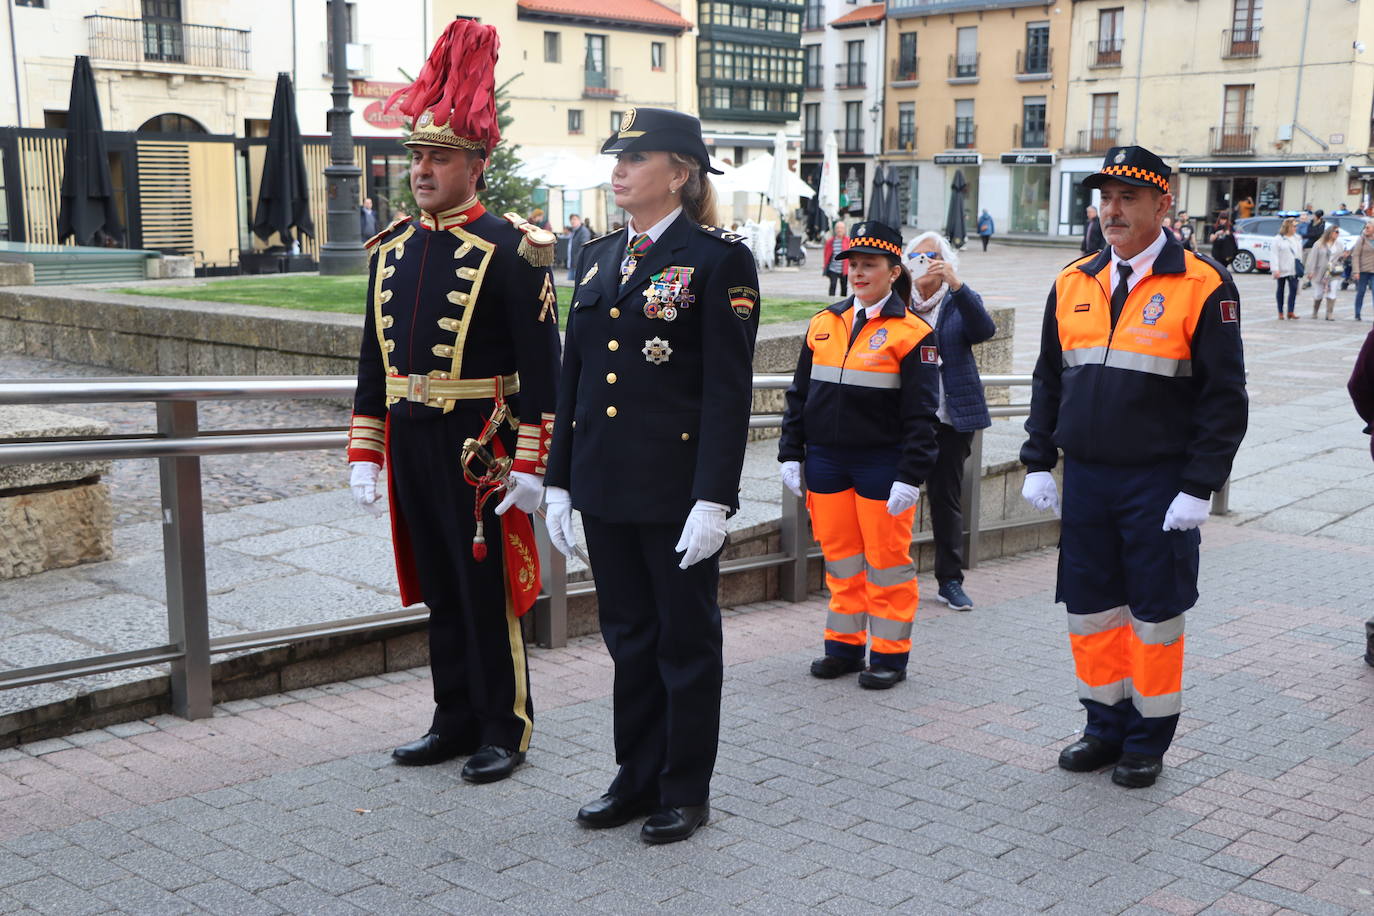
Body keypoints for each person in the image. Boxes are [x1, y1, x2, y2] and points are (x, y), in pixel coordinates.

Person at [346, 19, 560, 785]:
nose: (423, 170)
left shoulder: (511, 249)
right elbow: (374, 359)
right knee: (440, 585)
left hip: (482, 443)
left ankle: (506, 726)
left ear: (475, 165)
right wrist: (365, 451)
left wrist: (534, 465)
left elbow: (544, 370)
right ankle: (452, 717)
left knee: (486, 592)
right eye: (417, 157)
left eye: (440, 157)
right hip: (411, 438)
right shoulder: (392, 249)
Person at [544, 107, 760, 844]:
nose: (620, 169)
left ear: (679, 172)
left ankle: (683, 788)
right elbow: (574, 379)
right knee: (629, 639)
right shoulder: (599, 256)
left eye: (637, 157)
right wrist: (559, 480)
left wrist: (714, 499)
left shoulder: (717, 259)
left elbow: (728, 393)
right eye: (617, 157)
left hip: (674, 492)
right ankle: (634, 776)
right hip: (606, 487)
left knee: (684, 644)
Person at [1020, 146, 1247, 789]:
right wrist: (1039, 458)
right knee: (1092, 610)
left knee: (1153, 615)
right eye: (1105, 197)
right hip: (1088, 479)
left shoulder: (1203, 284)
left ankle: (1148, 739)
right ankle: (1102, 726)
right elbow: (1048, 379)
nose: (1112, 210)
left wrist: (1200, 484)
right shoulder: (1072, 281)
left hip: (1158, 484)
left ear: (1161, 203)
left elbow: (1223, 398)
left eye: (1127, 197)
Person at [778, 220, 940, 690]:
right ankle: (844, 649)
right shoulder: (825, 322)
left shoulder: (912, 333)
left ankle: (889, 655)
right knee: (842, 559)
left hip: (881, 464)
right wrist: (791, 453)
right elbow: (799, 395)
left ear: (894, 271)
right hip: (827, 461)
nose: (858, 272)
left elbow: (922, 415)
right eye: (853, 264)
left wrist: (911, 475)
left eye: (870, 264)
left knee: (887, 563)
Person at [902, 231, 997, 612]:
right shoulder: (898, 302)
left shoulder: (958, 301)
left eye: (932, 257)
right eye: (917, 256)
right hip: (907, 419)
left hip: (951, 417)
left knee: (946, 500)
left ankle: (950, 581)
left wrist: (957, 284)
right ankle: (889, 576)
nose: (924, 262)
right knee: (894, 499)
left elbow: (985, 330)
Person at [1305, 224, 1346, 320]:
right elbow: (1313, 258)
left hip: (1334, 272)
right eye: (1336, 232)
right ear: (1330, 232)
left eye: (1338, 232)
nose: (1337, 234)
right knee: (1318, 293)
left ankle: (1329, 313)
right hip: (1321, 271)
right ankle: (1315, 311)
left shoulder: (1339, 244)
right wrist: (1311, 271)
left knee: (1333, 291)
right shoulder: (1319, 244)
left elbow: (1340, 258)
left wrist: (1343, 257)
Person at [1270, 217, 1303, 320]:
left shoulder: (1297, 238)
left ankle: (1290, 311)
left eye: (1296, 226)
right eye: (1294, 226)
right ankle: (1280, 311)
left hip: (1293, 269)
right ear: (1288, 226)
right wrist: (1275, 269)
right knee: (1281, 289)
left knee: (1293, 289)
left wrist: (1300, 266)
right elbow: (1274, 254)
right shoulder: (1278, 239)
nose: (1295, 228)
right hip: (1282, 268)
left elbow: (1299, 254)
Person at [1351, 221, 1374, 321]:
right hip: (1363, 270)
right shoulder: (1362, 239)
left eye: (1368, 227)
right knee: (1361, 292)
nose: (1366, 229)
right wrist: (1356, 271)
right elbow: (1355, 255)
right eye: (1366, 227)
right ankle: (1357, 313)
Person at [823, 221, 849, 297]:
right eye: (837, 228)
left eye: (841, 228)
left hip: (844, 269)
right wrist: (825, 267)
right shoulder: (830, 242)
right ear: (835, 230)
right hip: (833, 268)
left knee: (844, 287)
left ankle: (843, 302)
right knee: (833, 285)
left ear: (844, 230)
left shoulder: (848, 241)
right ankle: (830, 301)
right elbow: (826, 255)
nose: (839, 230)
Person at [566, 213, 590, 283]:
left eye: (575, 219)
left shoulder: (583, 231)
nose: (572, 221)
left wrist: (578, 261)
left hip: (578, 264)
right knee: (569, 286)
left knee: (575, 286)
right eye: (571, 219)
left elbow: (584, 247)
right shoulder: (574, 231)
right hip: (572, 263)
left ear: (580, 220)